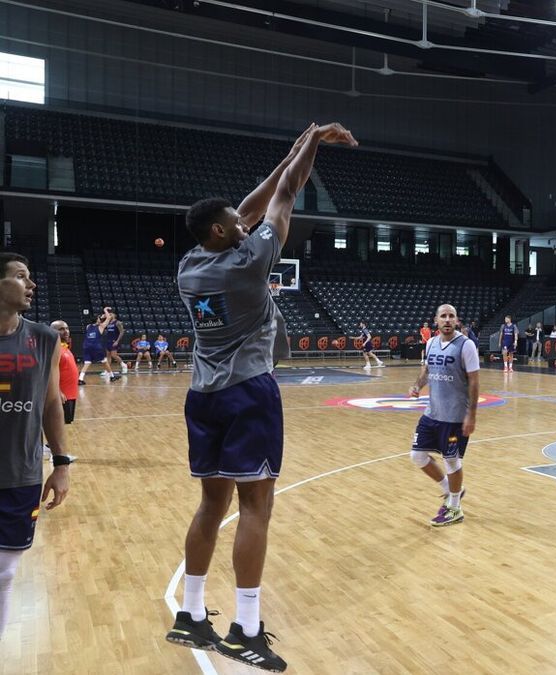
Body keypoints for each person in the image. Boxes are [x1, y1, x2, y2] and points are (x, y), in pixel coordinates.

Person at [165, 122, 356, 671]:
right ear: (224, 233)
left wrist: (294, 148)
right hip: (248, 393)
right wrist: (313, 144)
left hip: (202, 395)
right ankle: (247, 629)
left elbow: (251, 205)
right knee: (256, 507)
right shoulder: (251, 262)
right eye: (234, 224)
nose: (242, 224)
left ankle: (192, 614)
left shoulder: (190, 267)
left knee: (210, 503)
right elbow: (284, 195)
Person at [0, 253, 71, 638]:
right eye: (20, 277)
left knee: (5, 573)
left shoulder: (43, 338)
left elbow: (50, 403)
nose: (31, 285)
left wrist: (61, 464)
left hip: (20, 473)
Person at [408, 304, 480, 527]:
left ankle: (455, 508)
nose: (447, 320)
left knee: (451, 461)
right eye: (443, 316)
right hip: (432, 413)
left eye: (451, 316)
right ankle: (449, 489)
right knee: (417, 456)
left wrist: (471, 415)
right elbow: (427, 370)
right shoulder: (430, 343)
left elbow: (475, 381)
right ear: (436, 321)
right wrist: (417, 385)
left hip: (455, 417)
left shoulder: (466, 346)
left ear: (457, 321)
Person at [47, 320, 79, 463]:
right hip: (61, 394)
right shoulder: (53, 348)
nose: (65, 331)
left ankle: (49, 448)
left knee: (61, 423)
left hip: (70, 393)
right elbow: (48, 372)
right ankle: (57, 455)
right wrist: (57, 391)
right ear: (52, 331)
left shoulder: (64, 346)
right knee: (57, 424)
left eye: (66, 328)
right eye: (61, 329)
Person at [78, 313, 114, 384]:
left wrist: (101, 317)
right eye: (98, 318)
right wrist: (105, 310)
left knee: (87, 363)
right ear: (97, 320)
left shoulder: (88, 326)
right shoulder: (101, 327)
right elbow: (109, 318)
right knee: (104, 361)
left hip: (86, 346)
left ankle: (80, 378)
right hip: (96, 347)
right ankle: (112, 376)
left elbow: (96, 322)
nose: (99, 319)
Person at [102, 307, 128, 376]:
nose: (109, 315)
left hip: (114, 341)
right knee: (108, 356)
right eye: (109, 314)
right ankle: (107, 370)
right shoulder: (108, 322)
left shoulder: (118, 322)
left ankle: (124, 365)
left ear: (114, 315)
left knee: (114, 355)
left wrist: (117, 341)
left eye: (111, 314)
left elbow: (122, 332)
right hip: (108, 341)